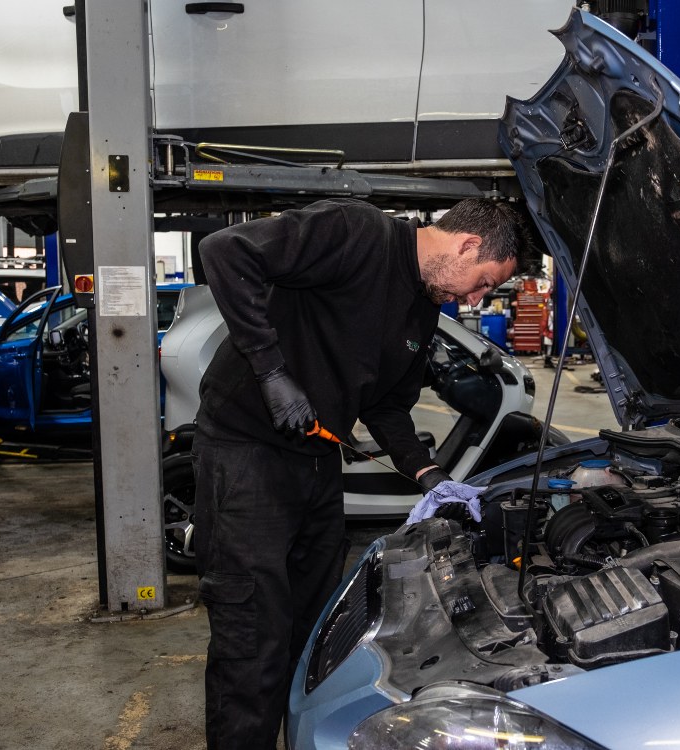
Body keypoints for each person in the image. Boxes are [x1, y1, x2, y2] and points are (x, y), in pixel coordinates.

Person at [191, 197, 534, 749]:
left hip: (317, 465)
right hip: (246, 454)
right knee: (252, 633)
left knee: (313, 635)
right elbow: (225, 251)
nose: (476, 299)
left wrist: (428, 473)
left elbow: (389, 408)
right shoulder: (355, 232)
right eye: (483, 283)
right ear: (467, 244)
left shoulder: (421, 310)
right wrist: (272, 372)